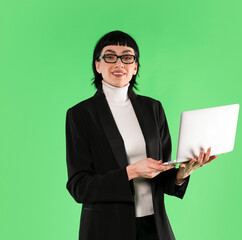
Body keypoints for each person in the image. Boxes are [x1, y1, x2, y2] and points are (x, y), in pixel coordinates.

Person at [65, 30, 218, 240]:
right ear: (98, 65)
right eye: (110, 57)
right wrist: (130, 171)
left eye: (127, 57)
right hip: (107, 230)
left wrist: (182, 174)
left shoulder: (153, 108)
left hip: (154, 227)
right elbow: (79, 187)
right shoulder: (81, 115)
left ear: (135, 66)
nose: (119, 64)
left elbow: (163, 174)